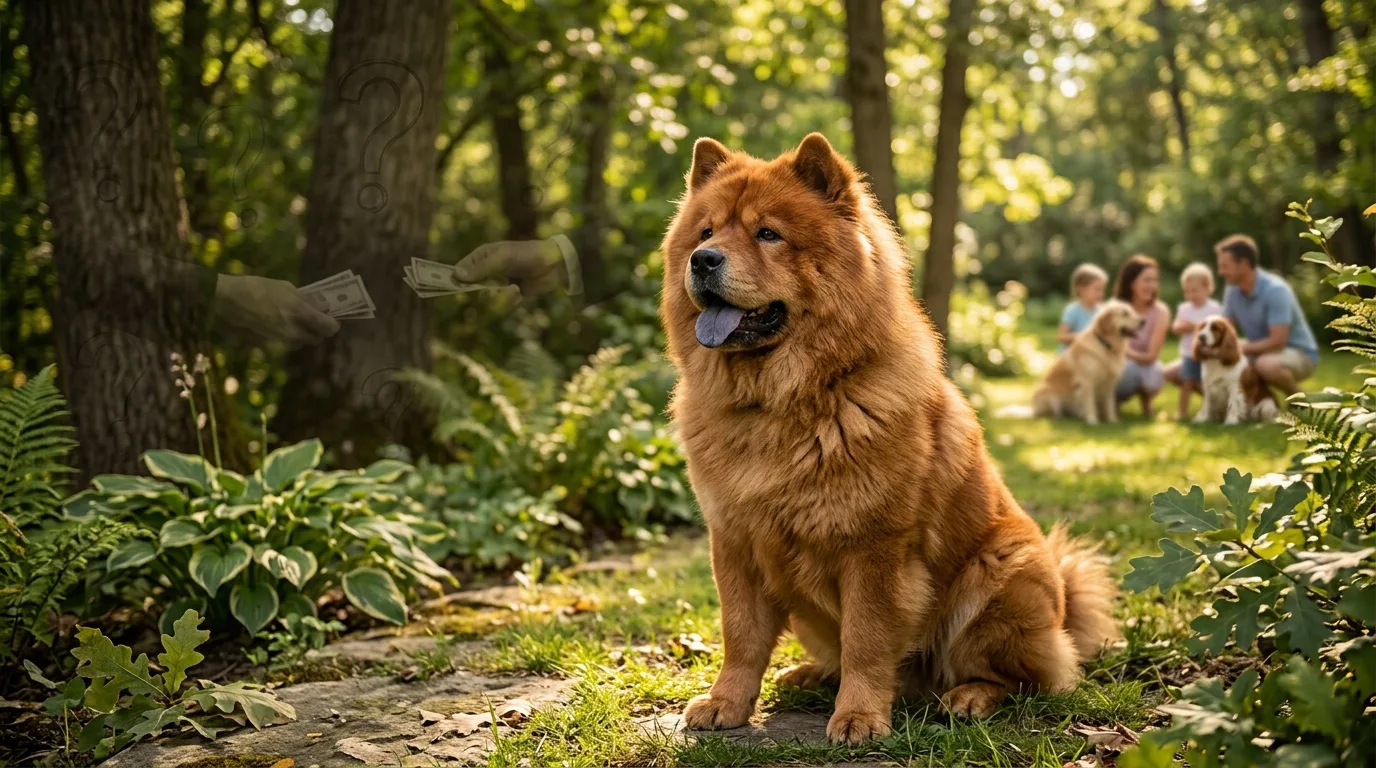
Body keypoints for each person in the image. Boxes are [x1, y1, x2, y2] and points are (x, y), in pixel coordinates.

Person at [1215, 234, 1319, 394]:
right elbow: (1224, 328)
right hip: (1261, 350)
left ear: (1244, 264)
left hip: (1299, 353)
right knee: (1222, 358)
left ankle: (1299, 399)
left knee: (1265, 365)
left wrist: (1239, 348)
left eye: (1225, 266)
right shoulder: (1232, 289)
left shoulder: (1276, 290)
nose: (1221, 272)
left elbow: (1277, 342)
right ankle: (1259, 403)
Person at [1113, 254, 1171, 418]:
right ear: (1132, 283)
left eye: (1154, 280)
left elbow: (1151, 356)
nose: (1152, 285)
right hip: (1116, 365)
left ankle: (1146, 403)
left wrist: (1126, 352)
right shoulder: (1117, 309)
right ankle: (1111, 402)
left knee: (1152, 374)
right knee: (1127, 370)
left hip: (1143, 364)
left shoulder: (1161, 312)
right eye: (1146, 280)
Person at [1167, 263, 1223, 420]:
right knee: (1187, 382)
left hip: (1209, 354)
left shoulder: (1214, 308)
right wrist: (1187, 326)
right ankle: (1182, 412)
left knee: (1208, 384)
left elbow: (1219, 329)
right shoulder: (1184, 308)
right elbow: (1176, 327)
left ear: (1208, 288)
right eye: (1187, 291)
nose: (1191, 295)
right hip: (1189, 354)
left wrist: (1196, 327)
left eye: (1195, 291)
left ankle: (1212, 410)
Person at [1057, 263, 1108, 352]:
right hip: (1072, 358)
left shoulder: (1101, 311)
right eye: (1097, 289)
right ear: (1081, 290)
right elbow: (1061, 336)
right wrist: (1083, 337)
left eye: (1102, 290)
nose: (1101, 294)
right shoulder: (1072, 310)